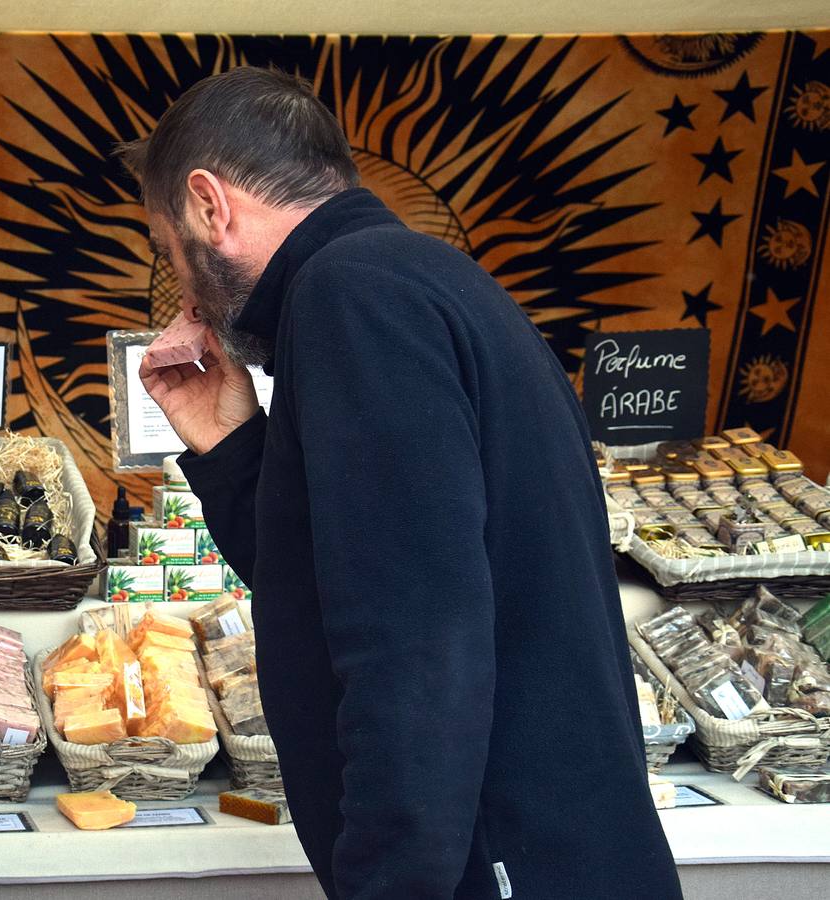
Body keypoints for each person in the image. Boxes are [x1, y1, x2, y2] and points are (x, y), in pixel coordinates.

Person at [124, 67, 682, 899]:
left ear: (211, 206)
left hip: (502, 863)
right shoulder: (415, 279)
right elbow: (329, 585)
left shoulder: (355, 298)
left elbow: (416, 649)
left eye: (172, 251)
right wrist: (232, 444)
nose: (185, 285)